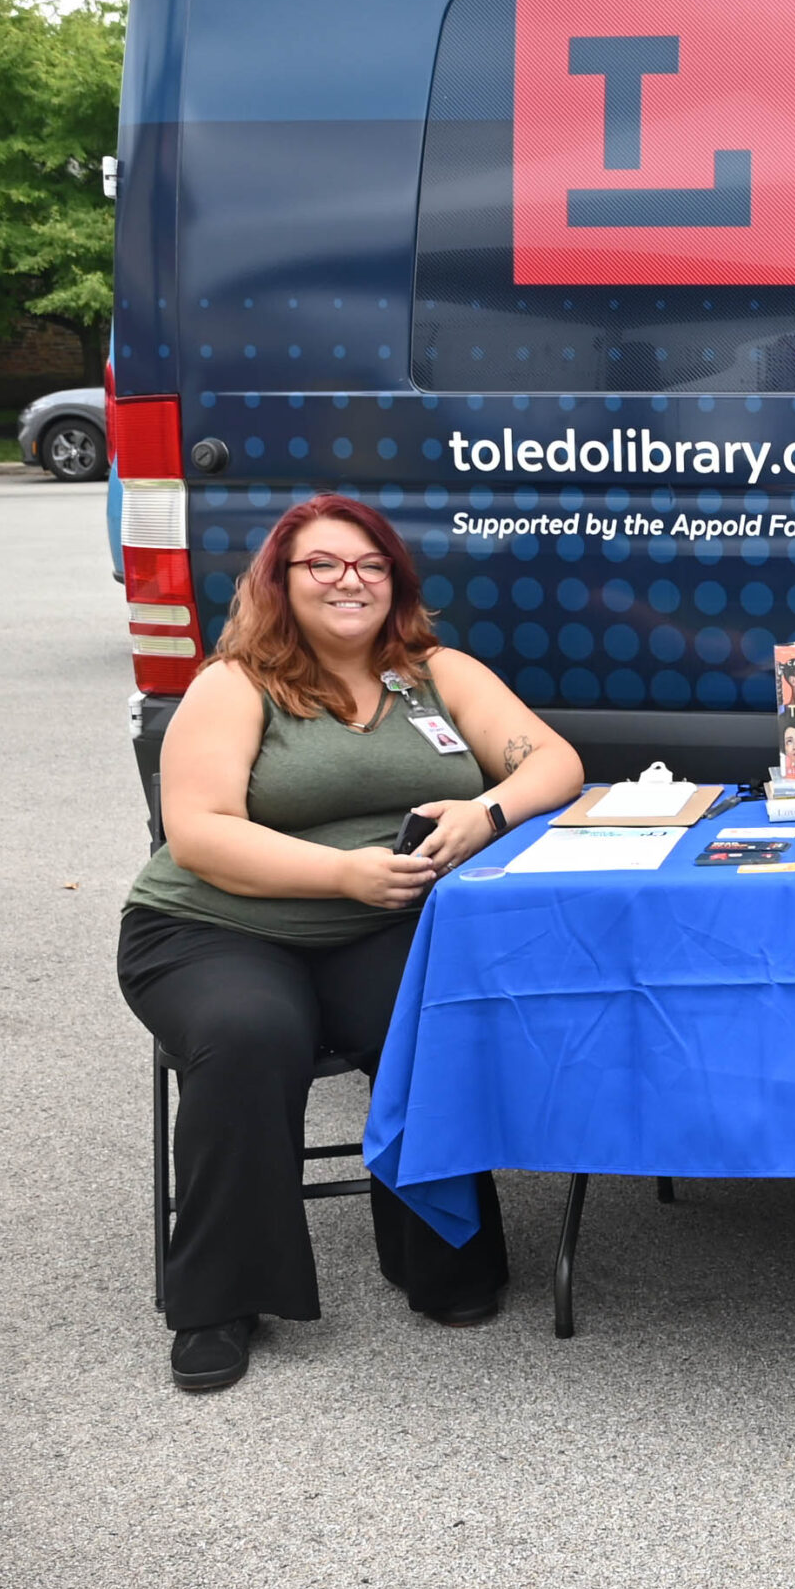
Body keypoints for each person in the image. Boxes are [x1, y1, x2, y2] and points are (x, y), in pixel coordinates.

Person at [118, 494, 584, 1392]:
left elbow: (554, 761)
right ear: (280, 581)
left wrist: (485, 813)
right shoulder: (235, 682)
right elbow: (200, 833)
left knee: (430, 1016)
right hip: (212, 927)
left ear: (395, 583)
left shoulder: (435, 672)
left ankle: (440, 1257)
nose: (350, 581)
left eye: (371, 565)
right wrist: (343, 873)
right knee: (253, 1032)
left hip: (374, 924)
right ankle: (219, 1301)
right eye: (323, 564)